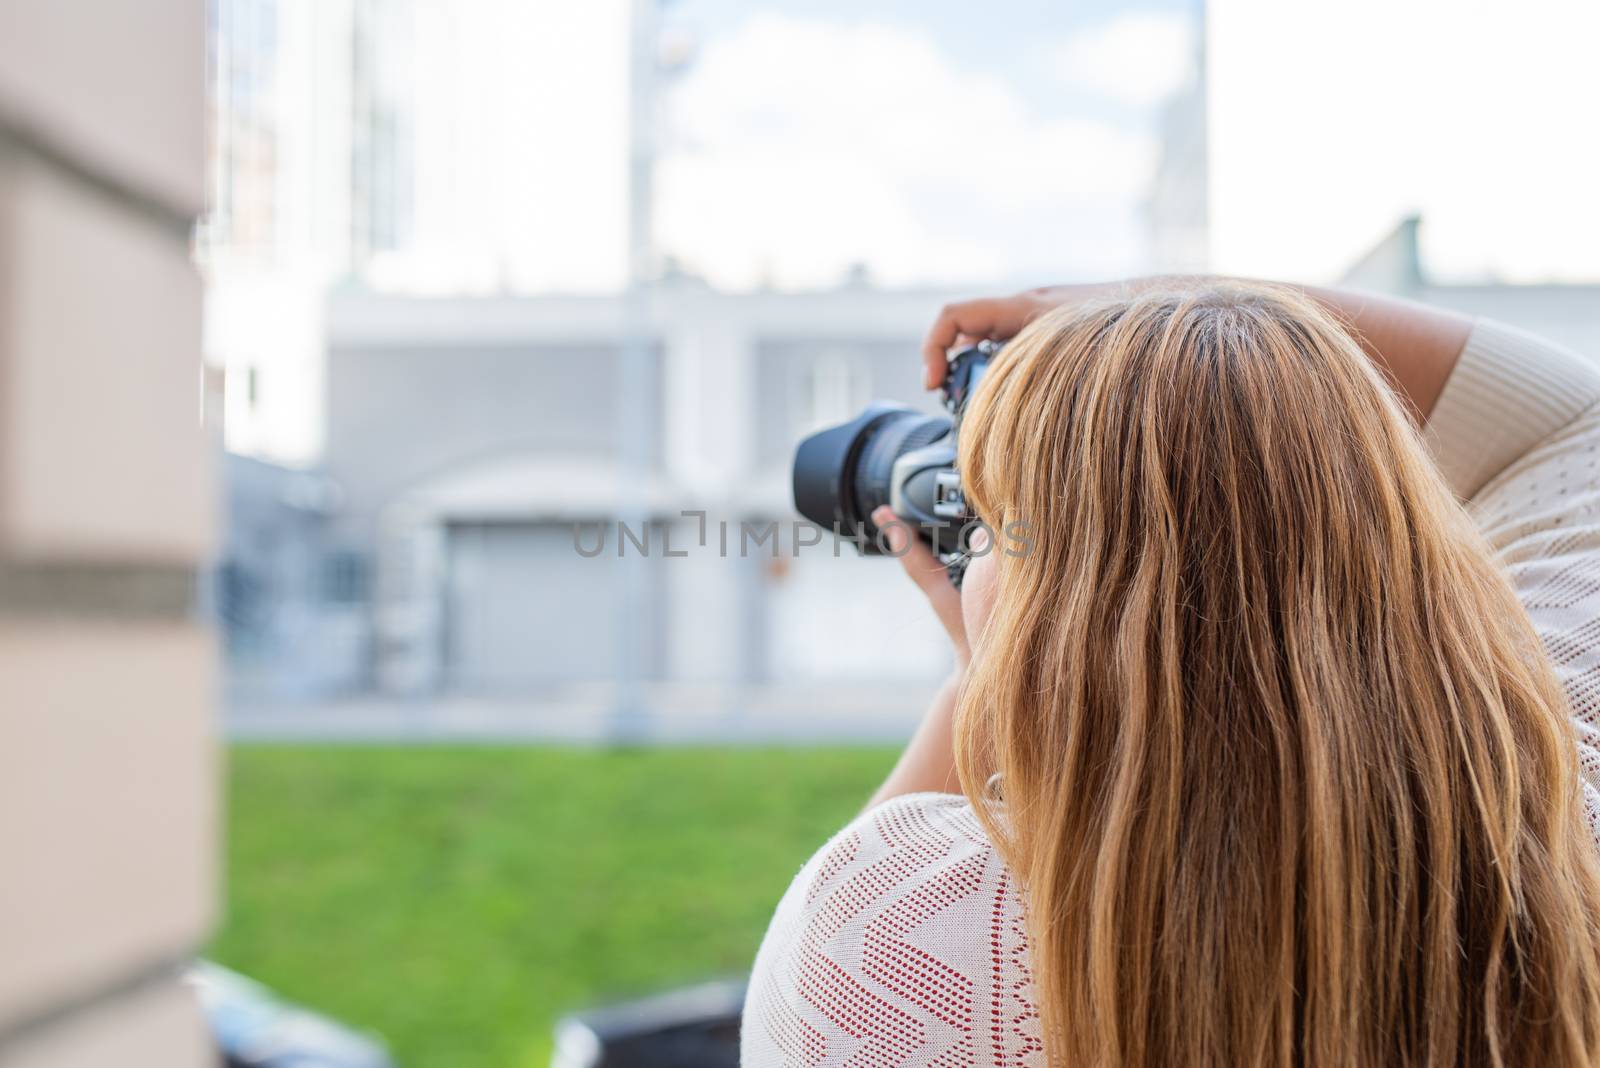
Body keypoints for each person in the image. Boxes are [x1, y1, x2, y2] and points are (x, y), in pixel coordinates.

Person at [741, 279, 1600, 1067]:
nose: (970, 549)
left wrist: (984, 683)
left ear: (1051, 612)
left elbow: (787, 1023)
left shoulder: (891, 935)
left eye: (988, 527)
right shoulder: (1567, 801)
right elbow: (1573, 420)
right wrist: (1131, 325)